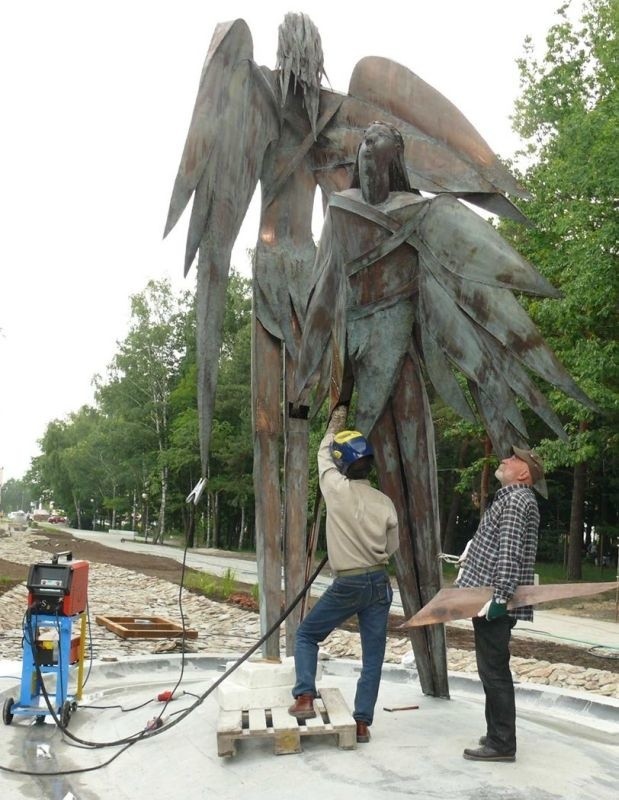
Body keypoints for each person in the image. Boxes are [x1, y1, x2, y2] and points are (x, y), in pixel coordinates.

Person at [288, 405, 399, 743]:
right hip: (378, 582)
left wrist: (334, 424)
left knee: (306, 635)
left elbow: (323, 453)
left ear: (343, 464)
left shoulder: (336, 489)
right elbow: (391, 547)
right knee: (373, 657)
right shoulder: (384, 502)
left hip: (348, 582)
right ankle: (362, 723)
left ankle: (305, 696)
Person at [456, 446, 546, 762]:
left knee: (493, 671)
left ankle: (502, 743)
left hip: (493, 601)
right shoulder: (515, 498)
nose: (505, 460)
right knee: (492, 669)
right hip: (489, 598)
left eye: (514, 459)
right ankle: (496, 732)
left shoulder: (516, 500)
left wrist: (499, 597)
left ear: (524, 472)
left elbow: (509, 553)